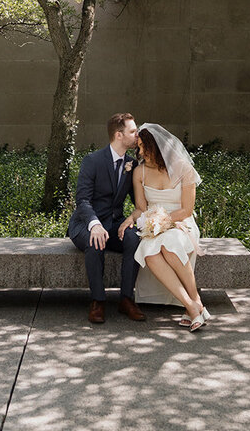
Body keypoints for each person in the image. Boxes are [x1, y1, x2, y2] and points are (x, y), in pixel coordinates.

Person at [119, 122, 210, 331]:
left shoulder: (184, 169)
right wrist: (129, 220)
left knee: (170, 244)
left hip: (180, 222)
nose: (140, 152)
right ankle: (193, 307)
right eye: (138, 147)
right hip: (153, 225)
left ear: (158, 147)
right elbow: (141, 208)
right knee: (148, 252)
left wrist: (163, 220)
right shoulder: (139, 172)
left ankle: (194, 302)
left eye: (144, 147)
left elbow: (187, 209)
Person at [68, 112, 146, 324]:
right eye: (132, 131)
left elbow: (140, 202)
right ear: (119, 135)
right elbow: (82, 200)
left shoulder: (132, 165)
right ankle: (98, 301)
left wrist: (133, 219)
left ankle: (126, 299)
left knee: (133, 239)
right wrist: (94, 225)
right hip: (85, 224)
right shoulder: (92, 161)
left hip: (114, 224)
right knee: (95, 243)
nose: (137, 134)